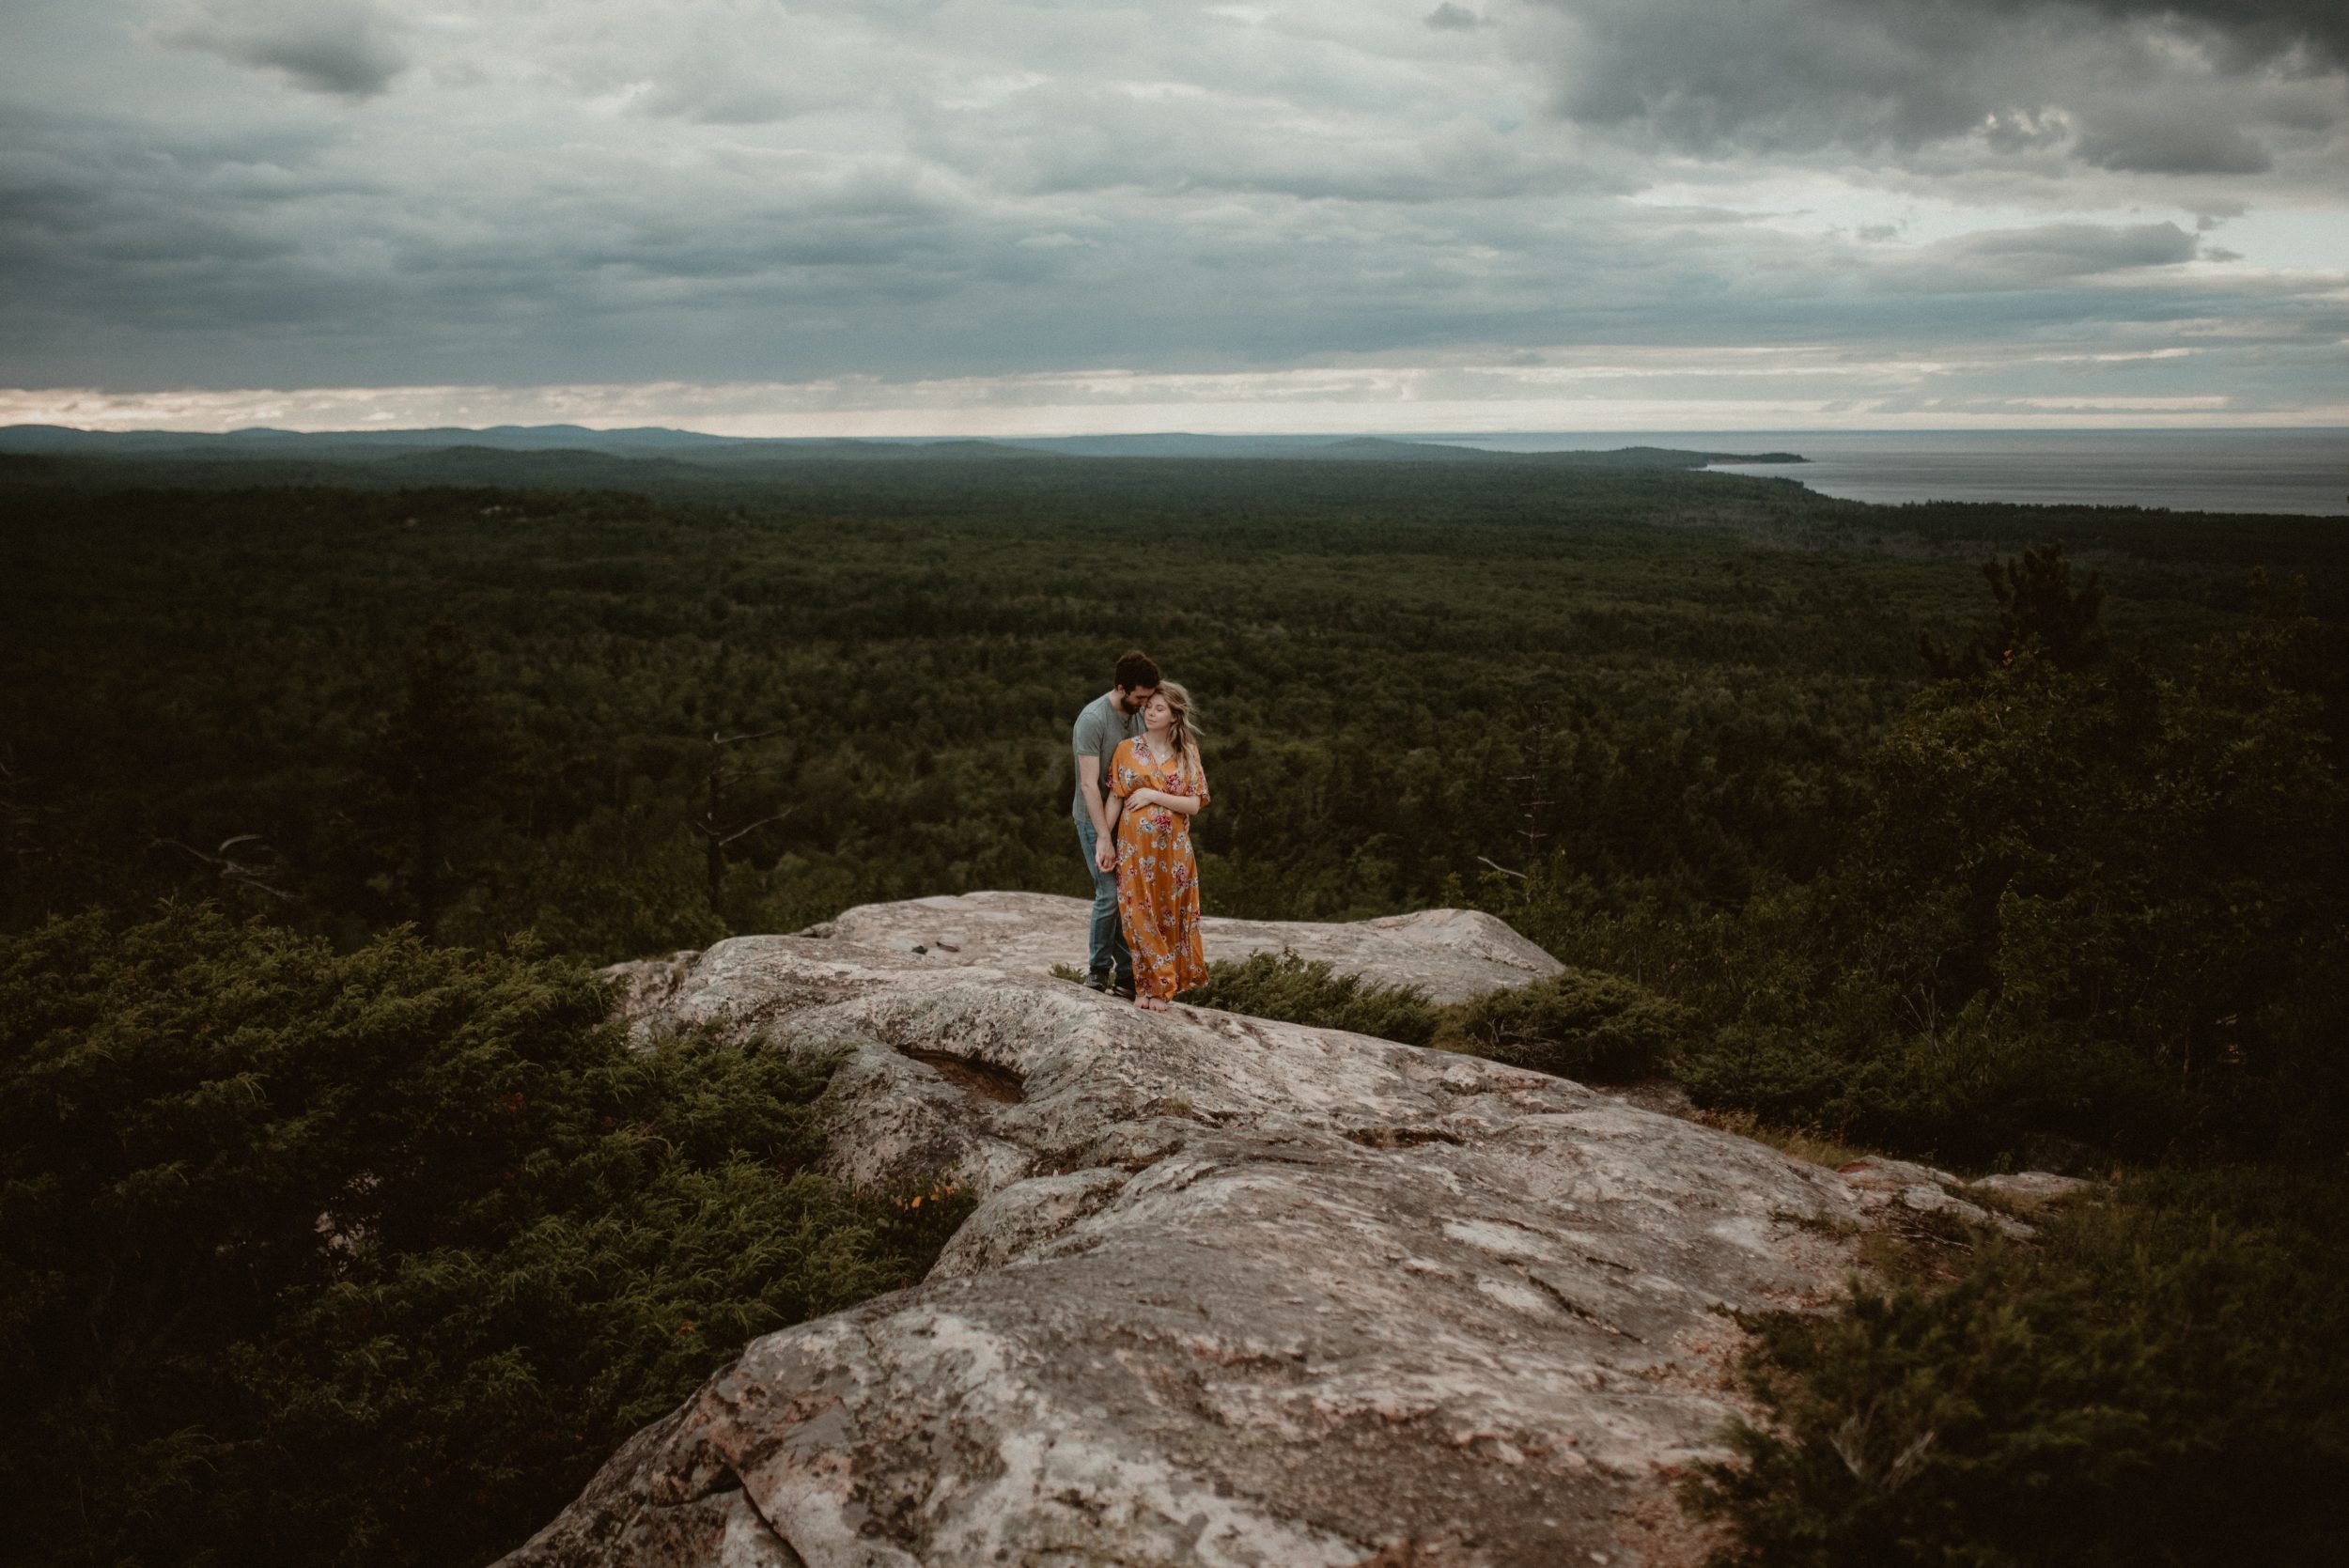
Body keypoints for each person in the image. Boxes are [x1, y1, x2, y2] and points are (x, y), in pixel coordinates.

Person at [1107, 681, 1209, 1011]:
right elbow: (1115, 797)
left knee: (1168, 915)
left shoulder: (1187, 753)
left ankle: (1159, 991)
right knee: (1136, 916)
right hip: (1134, 849)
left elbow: (1193, 804)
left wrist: (1152, 795)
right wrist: (1102, 842)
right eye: (1148, 707)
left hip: (1173, 852)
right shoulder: (1126, 749)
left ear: (1175, 715)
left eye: (1159, 709)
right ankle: (1148, 984)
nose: (1151, 713)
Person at [1071, 650, 1159, 997]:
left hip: (1130, 819)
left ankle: (1126, 977)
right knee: (1109, 895)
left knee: (1129, 897)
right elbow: (1089, 784)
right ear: (1121, 688)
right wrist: (1103, 838)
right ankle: (1097, 971)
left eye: (1150, 697)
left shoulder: (1140, 714)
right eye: (1140, 696)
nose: (1145, 703)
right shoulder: (1092, 719)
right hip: (1094, 818)